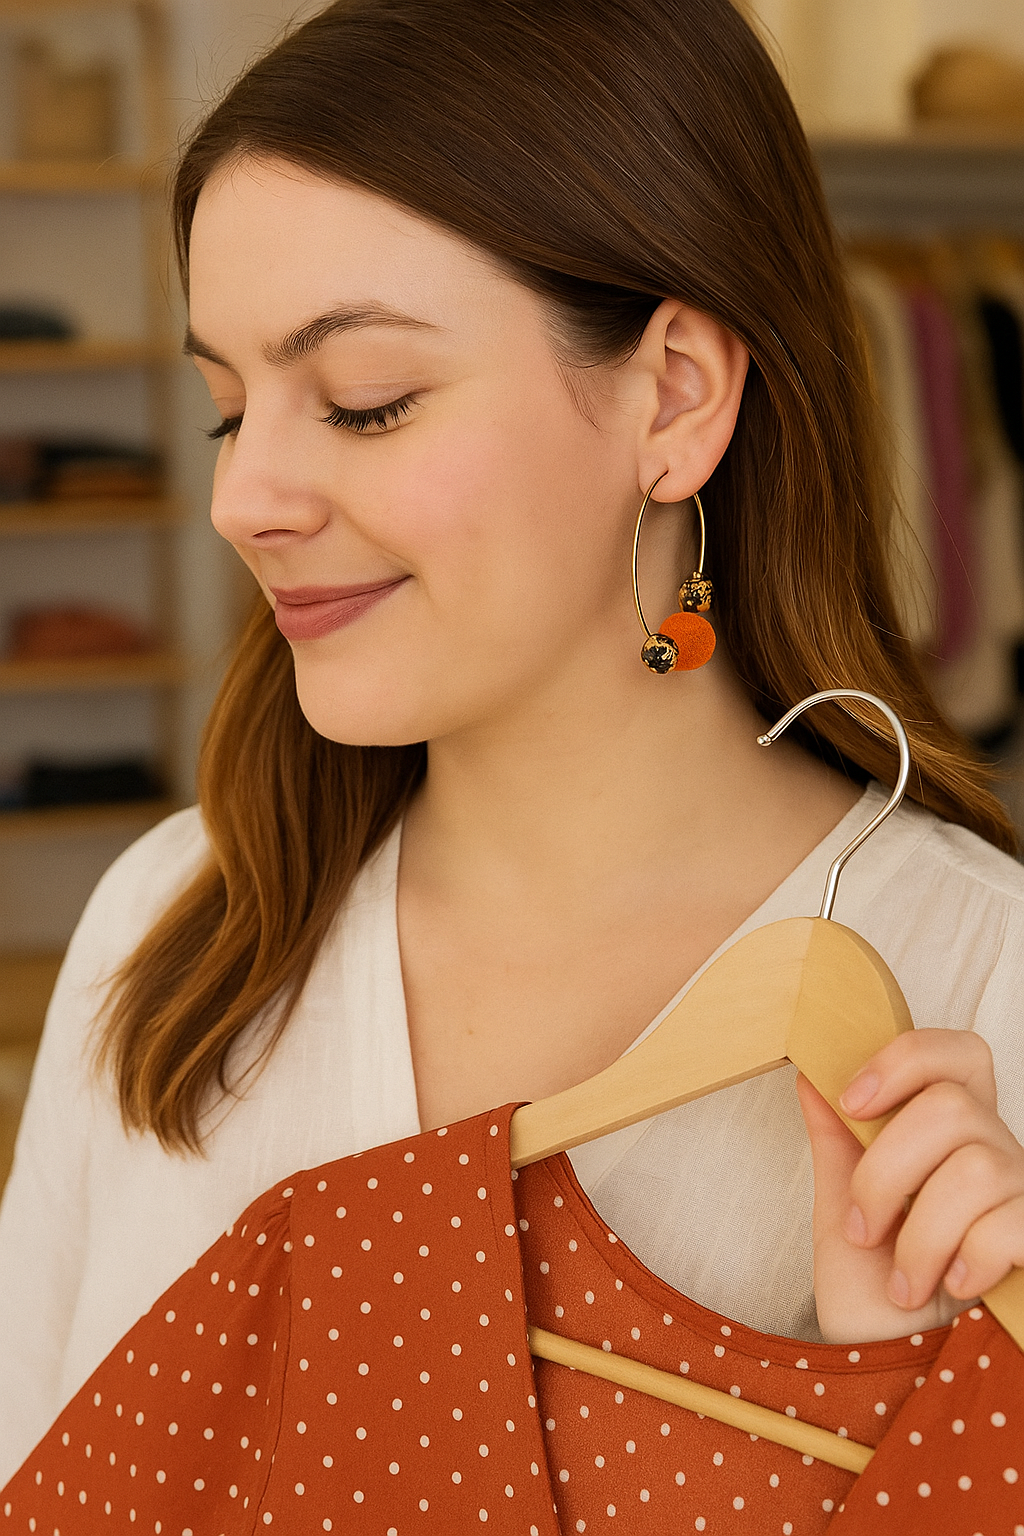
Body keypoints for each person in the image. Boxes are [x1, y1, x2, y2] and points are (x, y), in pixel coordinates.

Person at [2, 0, 1023, 1486]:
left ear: (673, 396)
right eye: (231, 411)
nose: (246, 498)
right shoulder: (175, 928)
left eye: (364, 403)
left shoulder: (982, 995)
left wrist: (915, 1435)